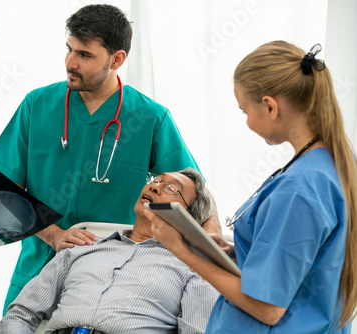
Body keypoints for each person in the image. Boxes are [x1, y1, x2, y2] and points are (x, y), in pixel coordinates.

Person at [0, 4, 221, 313]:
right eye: (69, 49)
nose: (71, 62)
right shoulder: (37, 104)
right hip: (39, 266)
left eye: (85, 55)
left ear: (117, 59)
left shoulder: (150, 117)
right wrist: (54, 235)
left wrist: (212, 244)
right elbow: (4, 190)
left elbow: (193, 187)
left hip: (111, 279)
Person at [149, 41, 357, 333]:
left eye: (244, 110)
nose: (246, 121)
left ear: (270, 106)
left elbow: (267, 308)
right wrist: (238, 251)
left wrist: (182, 250)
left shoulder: (299, 189)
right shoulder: (330, 166)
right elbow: (305, 260)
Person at [0, 168, 219, 334]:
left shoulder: (194, 269)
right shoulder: (83, 247)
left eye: (170, 188)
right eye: (156, 179)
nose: (154, 186)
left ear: (188, 217)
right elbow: (21, 314)